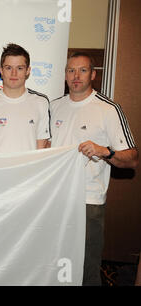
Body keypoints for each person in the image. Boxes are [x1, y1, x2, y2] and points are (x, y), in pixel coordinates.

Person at [50, 52, 138, 286]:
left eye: (82, 70)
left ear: (94, 74)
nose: (76, 76)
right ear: (65, 75)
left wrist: (105, 151)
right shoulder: (54, 107)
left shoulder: (108, 109)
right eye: (71, 70)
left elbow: (132, 158)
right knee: (53, 263)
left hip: (87, 201)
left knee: (86, 268)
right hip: (54, 199)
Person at [0, 43, 50, 153]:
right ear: (1, 70)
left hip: (28, 170)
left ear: (28, 71)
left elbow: (41, 150)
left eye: (19, 68)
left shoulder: (41, 102)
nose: (14, 73)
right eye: (8, 68)